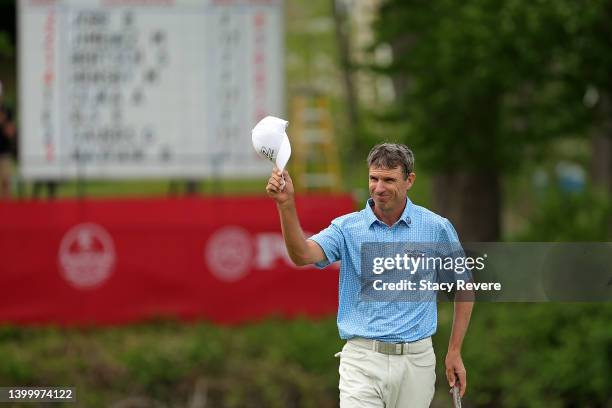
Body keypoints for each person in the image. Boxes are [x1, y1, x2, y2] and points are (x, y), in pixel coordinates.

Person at [265, 143, 473, 408]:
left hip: (417, 361)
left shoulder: (436, 228)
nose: (379, 187)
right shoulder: (346, 228)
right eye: (374, 178)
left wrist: (454, 350)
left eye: (388, 180)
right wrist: (286, 205)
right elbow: (302, 255)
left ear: (409, 180)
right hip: (362, 359)